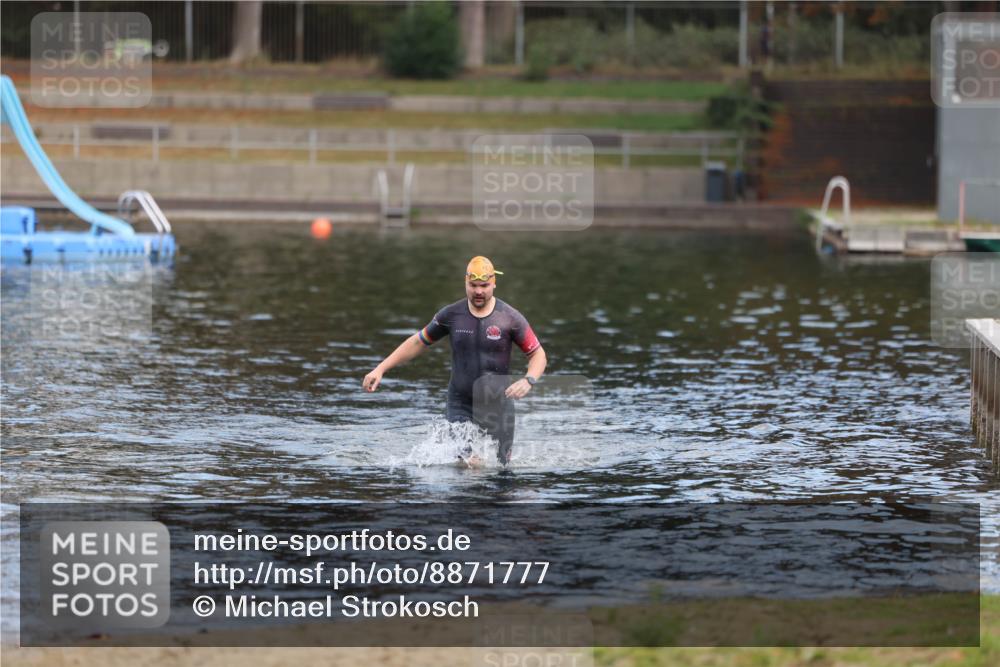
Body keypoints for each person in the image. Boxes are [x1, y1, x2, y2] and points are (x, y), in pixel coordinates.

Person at [363, 256, 547, 465]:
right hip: (460, 403)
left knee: (502, 470)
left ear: (494, 283)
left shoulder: (510, 318)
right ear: (465, 282)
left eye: (484, 285)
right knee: (468, 464)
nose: (478, 291)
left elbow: (538, 355)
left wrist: (528, 379)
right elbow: (418, 342)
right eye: (473, 285)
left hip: (498, 404)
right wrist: (380, 369)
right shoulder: (451, 315)